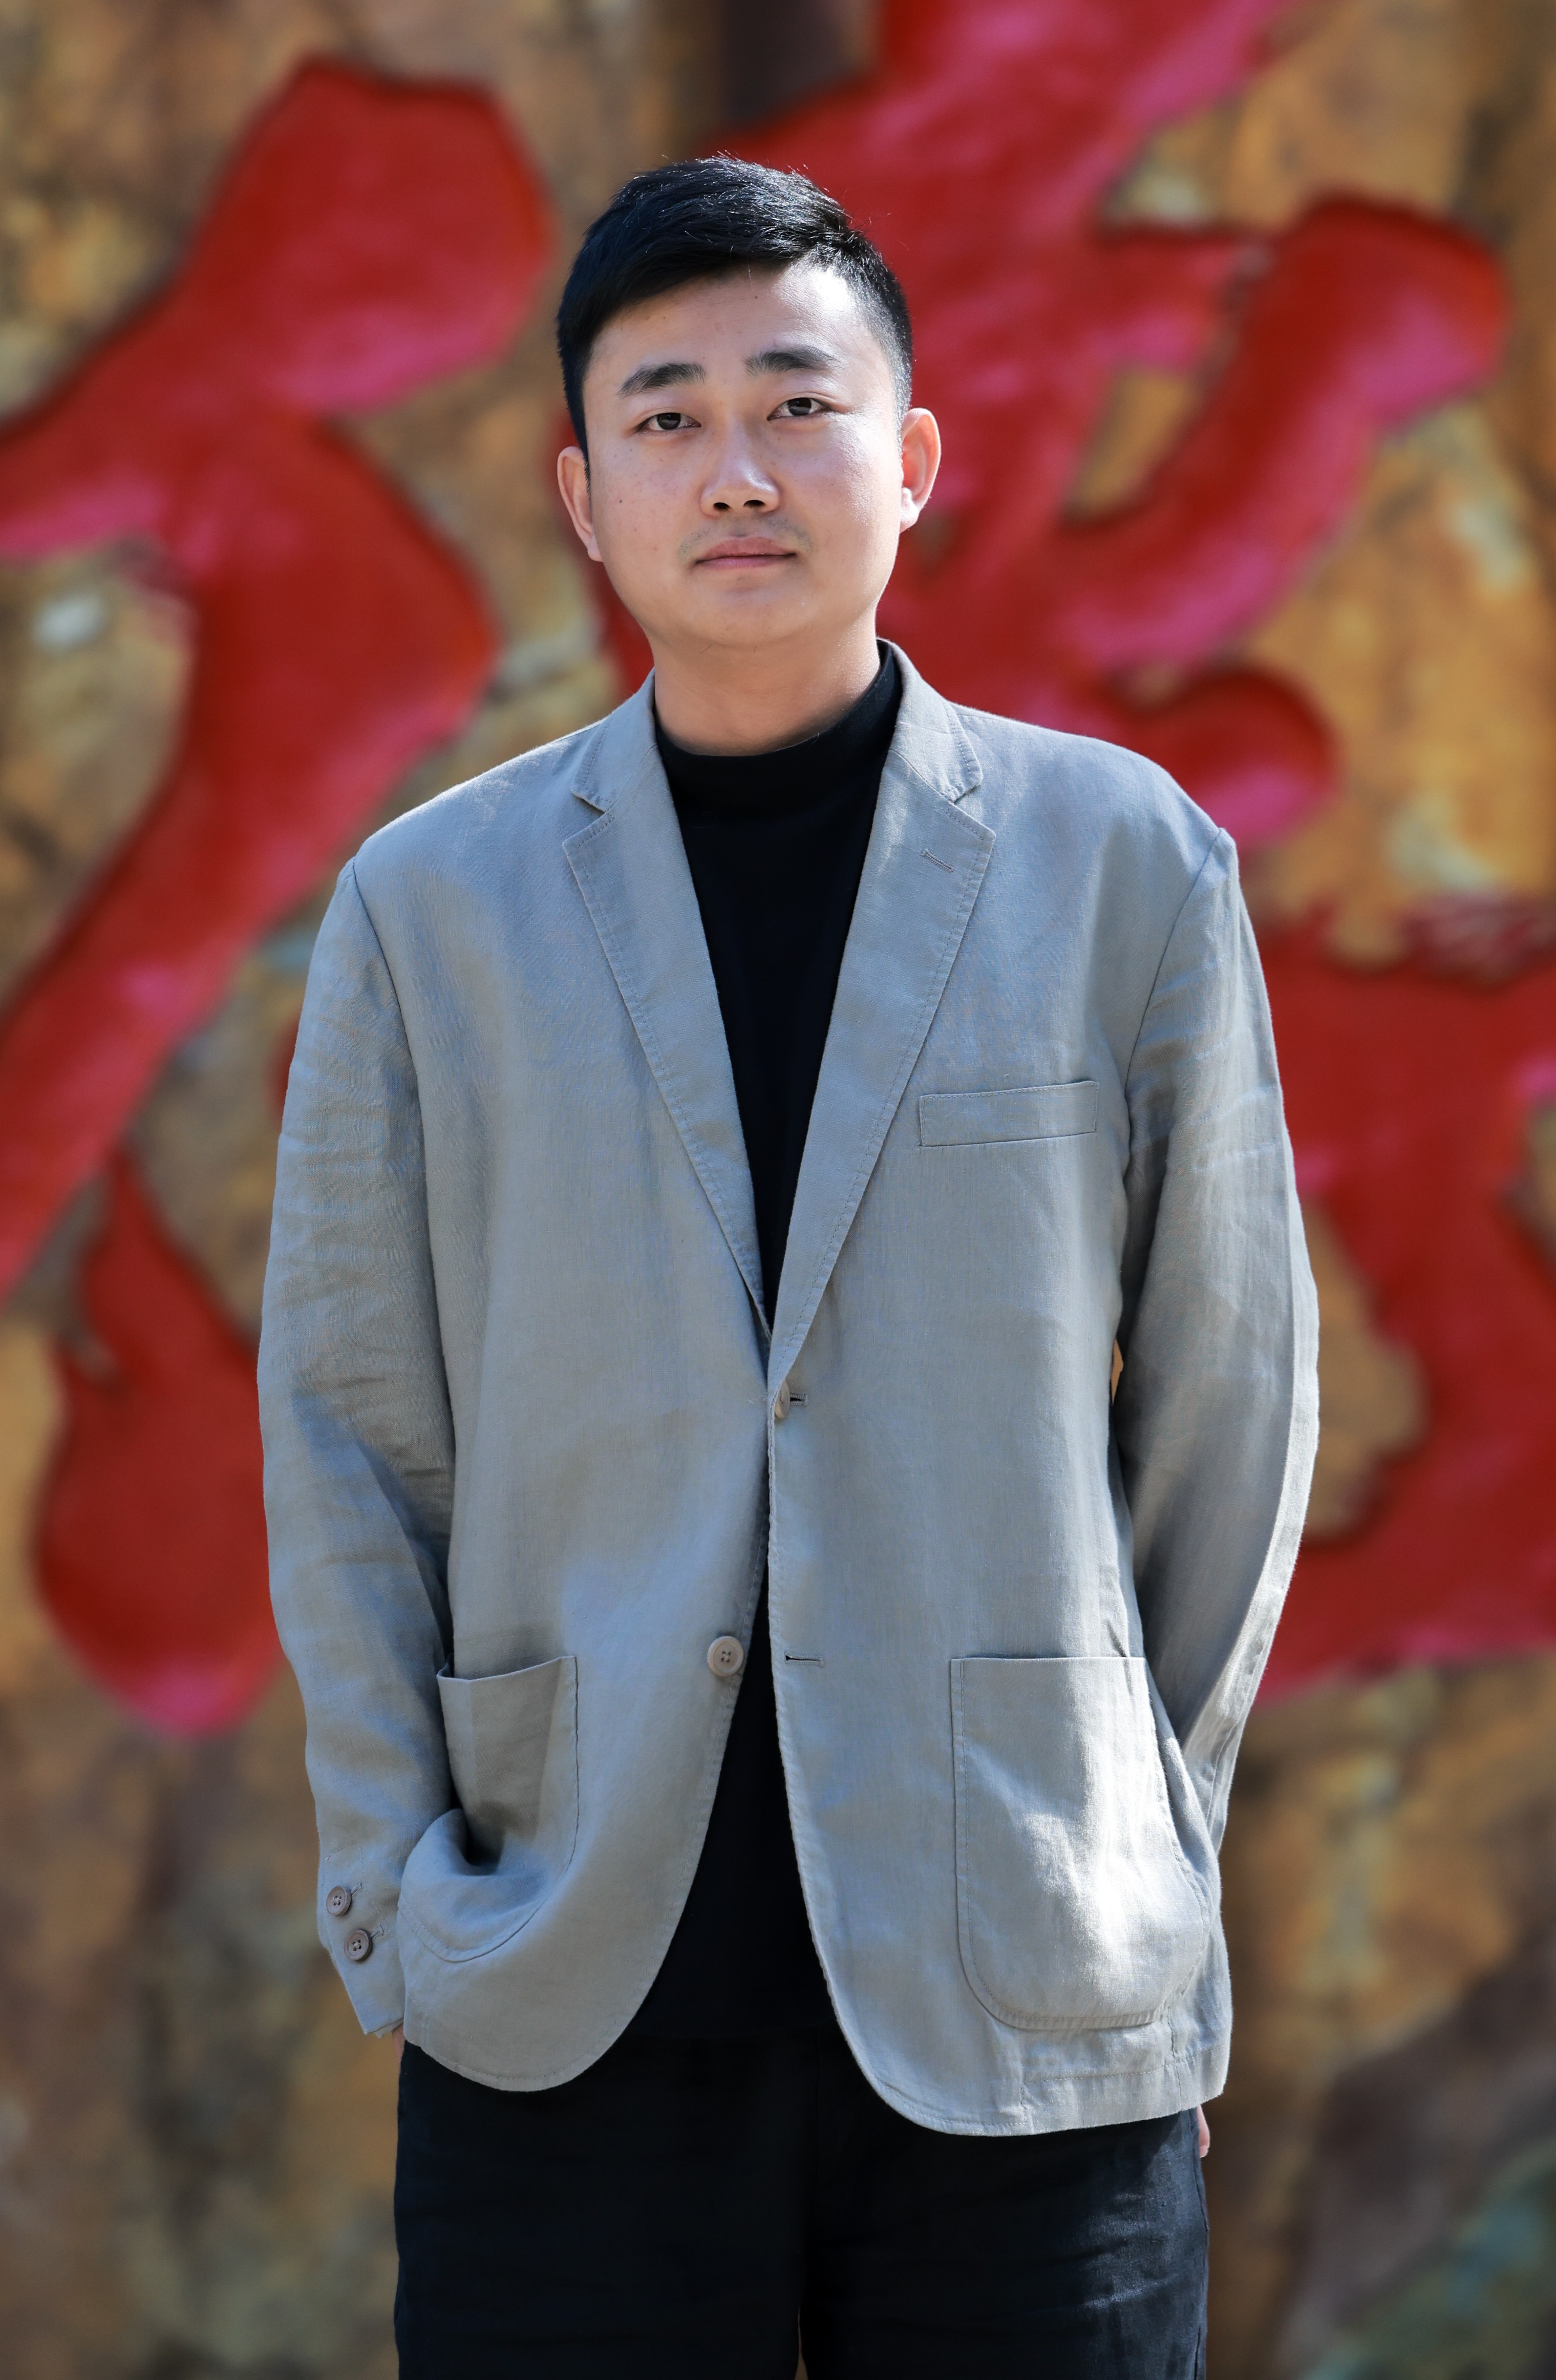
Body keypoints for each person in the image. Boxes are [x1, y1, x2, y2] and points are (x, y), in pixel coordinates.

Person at [260, 156, 1318, 2379]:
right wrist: (406, 1901)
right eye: (666, 418)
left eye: (796, 404)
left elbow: (1231, 1401)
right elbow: (353, 1431)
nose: (736, 471)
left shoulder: (1120, 864)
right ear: (582, 495)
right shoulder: (431, 913)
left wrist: (1146, 1863)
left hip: (1023, 1999)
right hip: (566, 1992)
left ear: (910, 458)